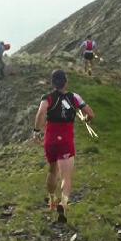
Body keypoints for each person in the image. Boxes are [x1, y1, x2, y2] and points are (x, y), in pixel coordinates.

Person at [33, 69, 95, 224]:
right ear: (65, 82)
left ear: (53, 83)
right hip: (66, 140)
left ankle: (52, 200)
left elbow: (41, 113)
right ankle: (63, 203)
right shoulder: (74, 97)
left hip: (51, 139)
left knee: (52, 170)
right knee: (66, 177)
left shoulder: (47, 98)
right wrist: (86, 119)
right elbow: (90, 113)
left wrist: (36, 131)